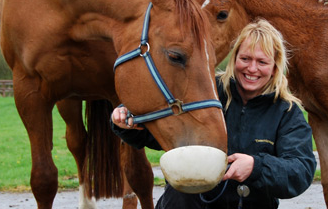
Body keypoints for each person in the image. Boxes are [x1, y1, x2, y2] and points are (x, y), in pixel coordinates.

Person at [111, 18, 317, 209]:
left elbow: (301, 170)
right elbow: (164, 133)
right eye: (245, 58)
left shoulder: (287, 112)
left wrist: (256, 167)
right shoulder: (206, 92)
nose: (252, 68)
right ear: (234, 58)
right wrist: (128, 125)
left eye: (262, 62)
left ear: (274, 68)